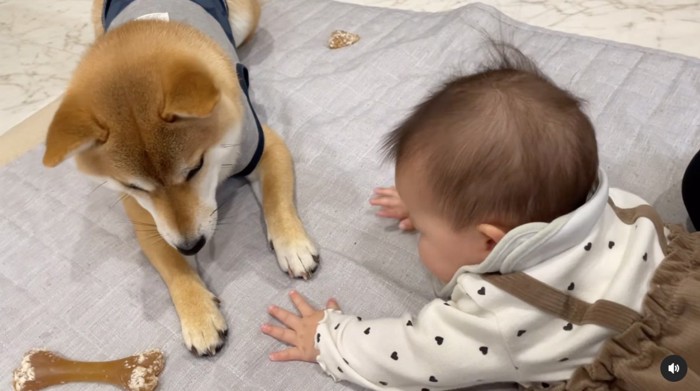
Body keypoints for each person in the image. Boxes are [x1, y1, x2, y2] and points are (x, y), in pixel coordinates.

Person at [260, 44, 689, 390]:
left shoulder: (502, 313)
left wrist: (326, 337)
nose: (416, 232)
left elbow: (414, 355)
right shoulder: (605, 200)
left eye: (425, 229)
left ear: (490, 241)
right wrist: (430, 205)